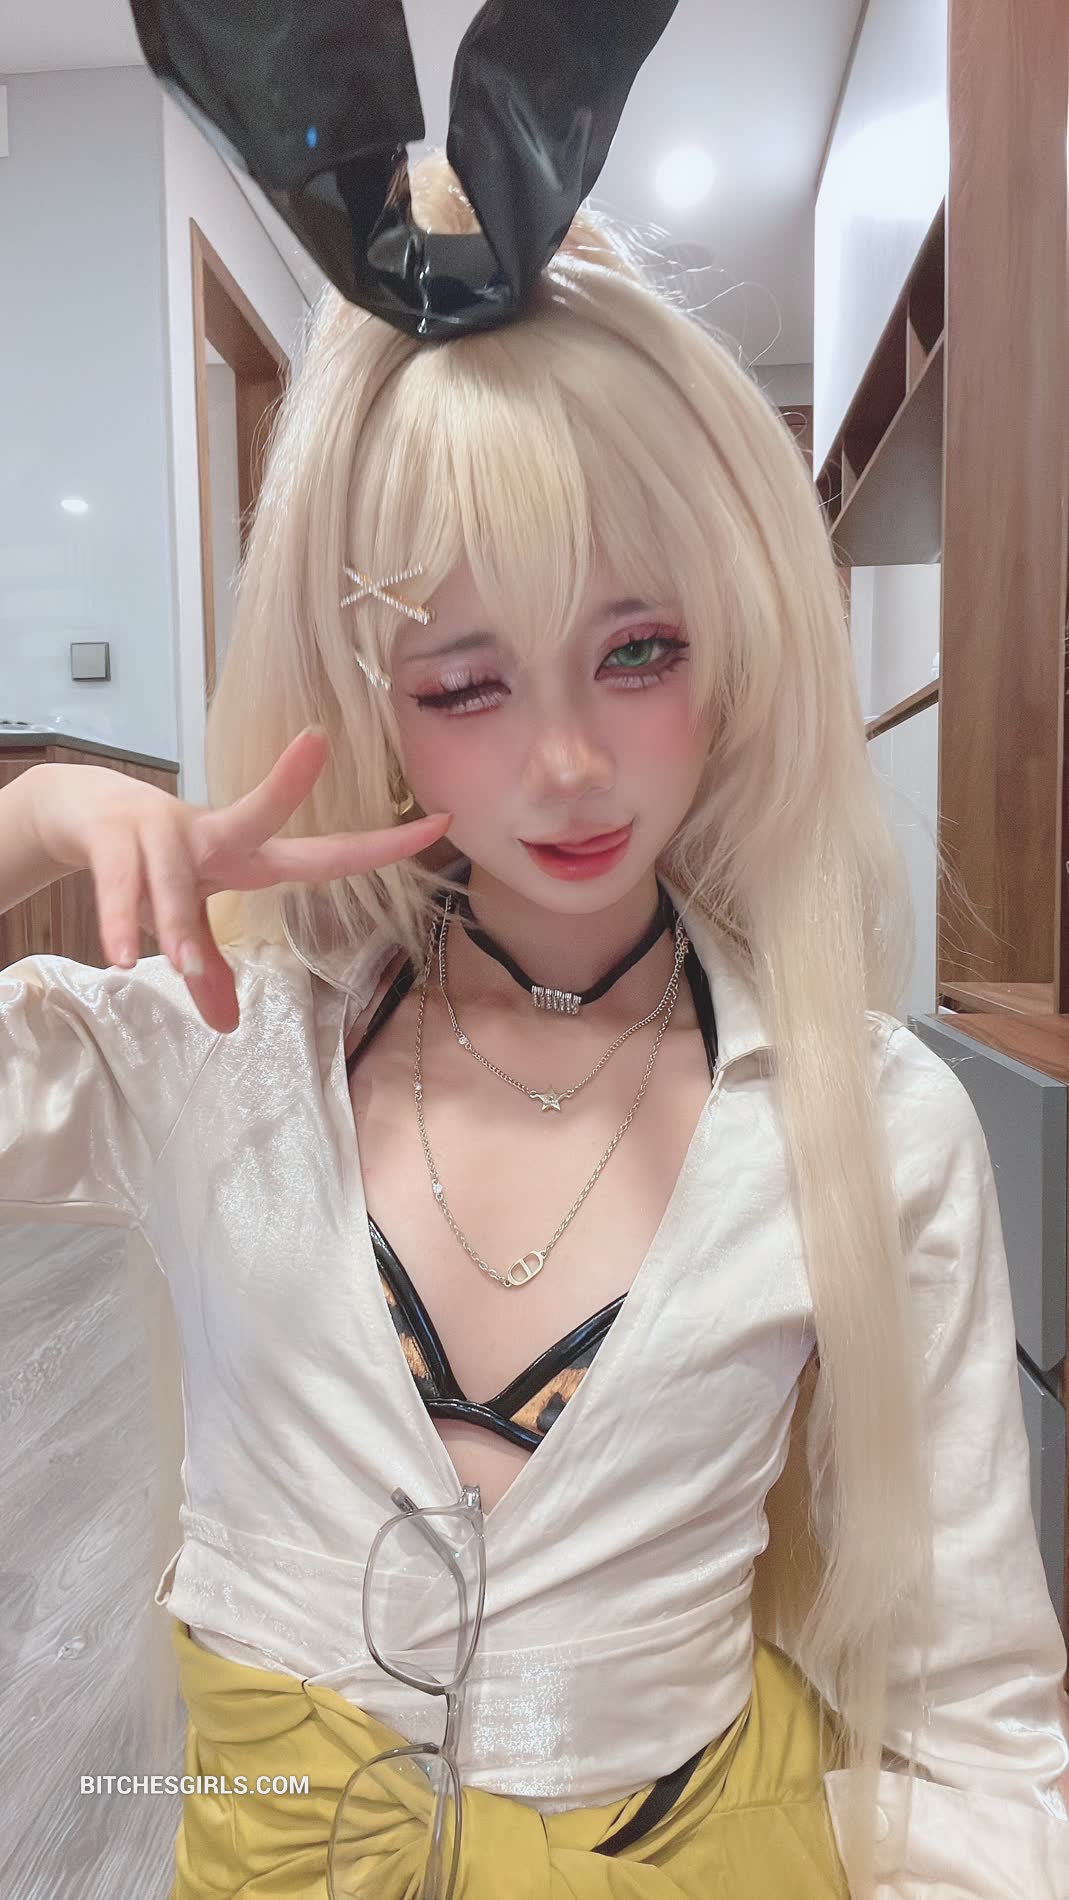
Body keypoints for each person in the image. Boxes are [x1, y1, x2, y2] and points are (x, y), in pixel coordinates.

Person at [2, 153, 1068, 1900]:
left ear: (733, 643)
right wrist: (37, 814)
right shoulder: (215, 1051)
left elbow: (982, 1734)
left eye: (637, 651)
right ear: (372, 699)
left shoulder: (867, 1125)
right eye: (466, 682)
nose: (567, 764)